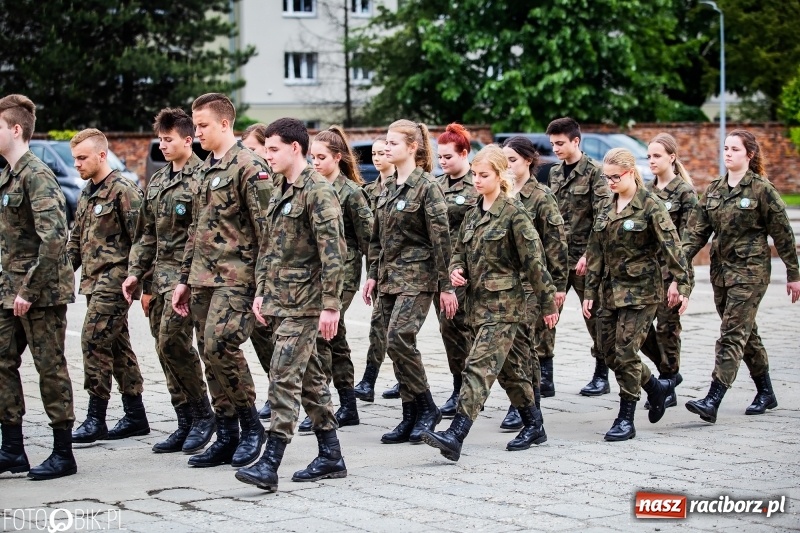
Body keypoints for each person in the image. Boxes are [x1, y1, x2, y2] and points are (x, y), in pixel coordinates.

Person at [421, 145, 559, 461]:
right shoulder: (473, 213)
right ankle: (534, 425)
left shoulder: (515, 215)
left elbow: (535, 263)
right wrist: (456, 270)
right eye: (475, 174)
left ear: (500, 176)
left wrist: (548, 304)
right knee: (510, 372)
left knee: (478, 366)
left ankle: (455, 435)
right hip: (477, 305)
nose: (478, 180)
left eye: (484, 175)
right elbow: (459, 251)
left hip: (506, 306)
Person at [235, 118, 347, 492]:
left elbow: (334, 253)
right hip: (283, 300)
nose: (266, 156)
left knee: (282, 376)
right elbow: (270, 248)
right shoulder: (283, 188)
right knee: (312, 381)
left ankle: (271, 460)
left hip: (308, 303)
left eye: (272, 149)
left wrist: (331, 306)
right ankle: (331, 454)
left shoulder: (317, 190)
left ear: (294, 148)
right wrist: (262, 292)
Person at [172, 93, 270, 468]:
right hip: (202, 280)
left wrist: (264, 286)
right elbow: (195, 231)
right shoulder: (202, 170)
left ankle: (251, 426)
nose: (196, 133)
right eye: (194, 126)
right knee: (207, 353)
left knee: (220, 346)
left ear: (225, 124)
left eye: (202, 126)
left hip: (238, 277)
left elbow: (267, 231)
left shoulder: (249, 166)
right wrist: (183, 278)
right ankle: (227, 433)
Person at [683, 130, 800, 423]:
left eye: (735, 149)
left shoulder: (762, 190)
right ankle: (766, 392)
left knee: (732, 333)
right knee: (745, 332)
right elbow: (696, 234)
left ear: (749, 154)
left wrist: (794, 273)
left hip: (751, 272)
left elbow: (783, 235)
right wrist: (675, 264)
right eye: (725, 148)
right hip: (721, 273)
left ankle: (713, 398)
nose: (728, 153)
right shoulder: (713, 190)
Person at [123, 108, 217, 455]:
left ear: (187, 140)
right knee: (164, 351)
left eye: (169, 139)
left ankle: (204, 414)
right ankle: (185, 419)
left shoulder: (201, 179)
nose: (162, 145)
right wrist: (136, 274)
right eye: (160, 140)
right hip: (157, 282)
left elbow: (201, 235)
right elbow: (146, 234)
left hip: (188, 279)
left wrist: (187, 279)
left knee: (174, 344)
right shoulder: (159, 181)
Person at [583, 148, 691, 441]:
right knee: (608, 352)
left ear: (631, 173)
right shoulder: (606, 207)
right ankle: (656, 389)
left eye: (615, 177)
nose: (610, 183)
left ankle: (626, 418)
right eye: (607, 178)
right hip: (608, 291)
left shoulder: (650, 206)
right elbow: (595, 252)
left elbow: (673, 247)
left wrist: (682, 286)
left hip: (642, 292)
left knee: (626, 352)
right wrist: (589, 291)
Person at [363, 119, 456, 444]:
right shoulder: (387, 186)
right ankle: (409, 414)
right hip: (388, 278)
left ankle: (427, 407)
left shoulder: (427, 187)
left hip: (418, 277)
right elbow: (377, 237)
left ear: (412, 148)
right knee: (391, 344)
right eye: (385, 142)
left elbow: (441, 240)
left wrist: (446, 286)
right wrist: (372, 274)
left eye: (393, 142)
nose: (386, 147)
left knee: (399, 337)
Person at [0, 94, 77, 480]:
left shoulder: (37, 175)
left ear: (15, 129)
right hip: (8, 289)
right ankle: (12, 448)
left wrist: (28, 291)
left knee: (50, 368)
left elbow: (54, 239)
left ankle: (63, 452)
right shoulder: (7, 175)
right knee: (2, 363)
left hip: (41, 293)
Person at [68, 128, 149, 445]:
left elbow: (142, 239)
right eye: (75, 158)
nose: (77, 164)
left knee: (93, 341)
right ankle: (135, 415)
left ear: (102, 155)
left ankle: (95, 417)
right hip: (92, 281)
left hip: (116, 282)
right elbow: (75, 241)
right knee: (116, 345)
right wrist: (58, 275)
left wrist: (142, 282)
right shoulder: (88, 192)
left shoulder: (123, 190)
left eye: (82, 158)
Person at [297, 126, 373, 433]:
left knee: (321, 333)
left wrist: (376, 275)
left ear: (337, 158)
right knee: (336, 337)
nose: (315, 162)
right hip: (318, 272)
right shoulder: (311, 186)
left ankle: (322, 404)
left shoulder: (351, 193)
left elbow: (369, 238)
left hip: (345, 273)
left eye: (321, 157)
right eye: (312, 156)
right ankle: (349, 405)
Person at [501, 136, 568, 430]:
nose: (508, 167)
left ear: (529, 160)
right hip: (506, 284)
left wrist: (558, 288)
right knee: (513, 347)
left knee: (528, 347)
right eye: (504, 162)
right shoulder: (501, 195)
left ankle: (529, 407)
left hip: (534, 284)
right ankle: (522, 404)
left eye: (513, 160)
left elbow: (556, 245)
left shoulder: (541, 197)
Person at [546, 117, 611, 397]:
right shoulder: (554, 173)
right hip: (558, 260)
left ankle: (602, 374)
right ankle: (545, 377)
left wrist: (590, 253)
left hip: (586, 261)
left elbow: (603, 215)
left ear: (576, 141)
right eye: (552, 144)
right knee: (546, 315)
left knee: (594, 317)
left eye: (560, 143)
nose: (556, 149)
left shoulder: (596, 172)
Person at [640, 133, 698, 409]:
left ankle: (668, 381)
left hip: (671, 272)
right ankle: (668, 373)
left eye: (657, 156)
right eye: (649, 156)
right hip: (646, 274)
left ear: (672, 158)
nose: (651, 161)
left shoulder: (685, 193)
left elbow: (688, 241)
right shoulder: (647, 193)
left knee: (667, 328)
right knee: (639, 330)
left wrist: (679, 281)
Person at [433, 123, 480, 418]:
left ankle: (484, 389)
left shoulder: (479, 181)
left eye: (448, 156)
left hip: (476, 268)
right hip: (447, 272)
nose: (442, 162)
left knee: (478, 331)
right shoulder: (437, 186)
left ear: (465, 153)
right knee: (450, 328)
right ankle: (459, 386)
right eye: (440, 157)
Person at [354, 138, 397, 402]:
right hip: (376, 265)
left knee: (397, 330)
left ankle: (405, 380)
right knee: (379, 326)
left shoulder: (401, 187)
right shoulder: (369, 191)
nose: (378, 158)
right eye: (374, 154)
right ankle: (369, 381)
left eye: (383, 152)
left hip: (401, 268)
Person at [240, 121, 276, 422]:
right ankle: (278, 391)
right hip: (253, 272)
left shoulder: (272, 180)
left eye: (253, 149)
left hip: (276, 275)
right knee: (262, 335)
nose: (247, 155)